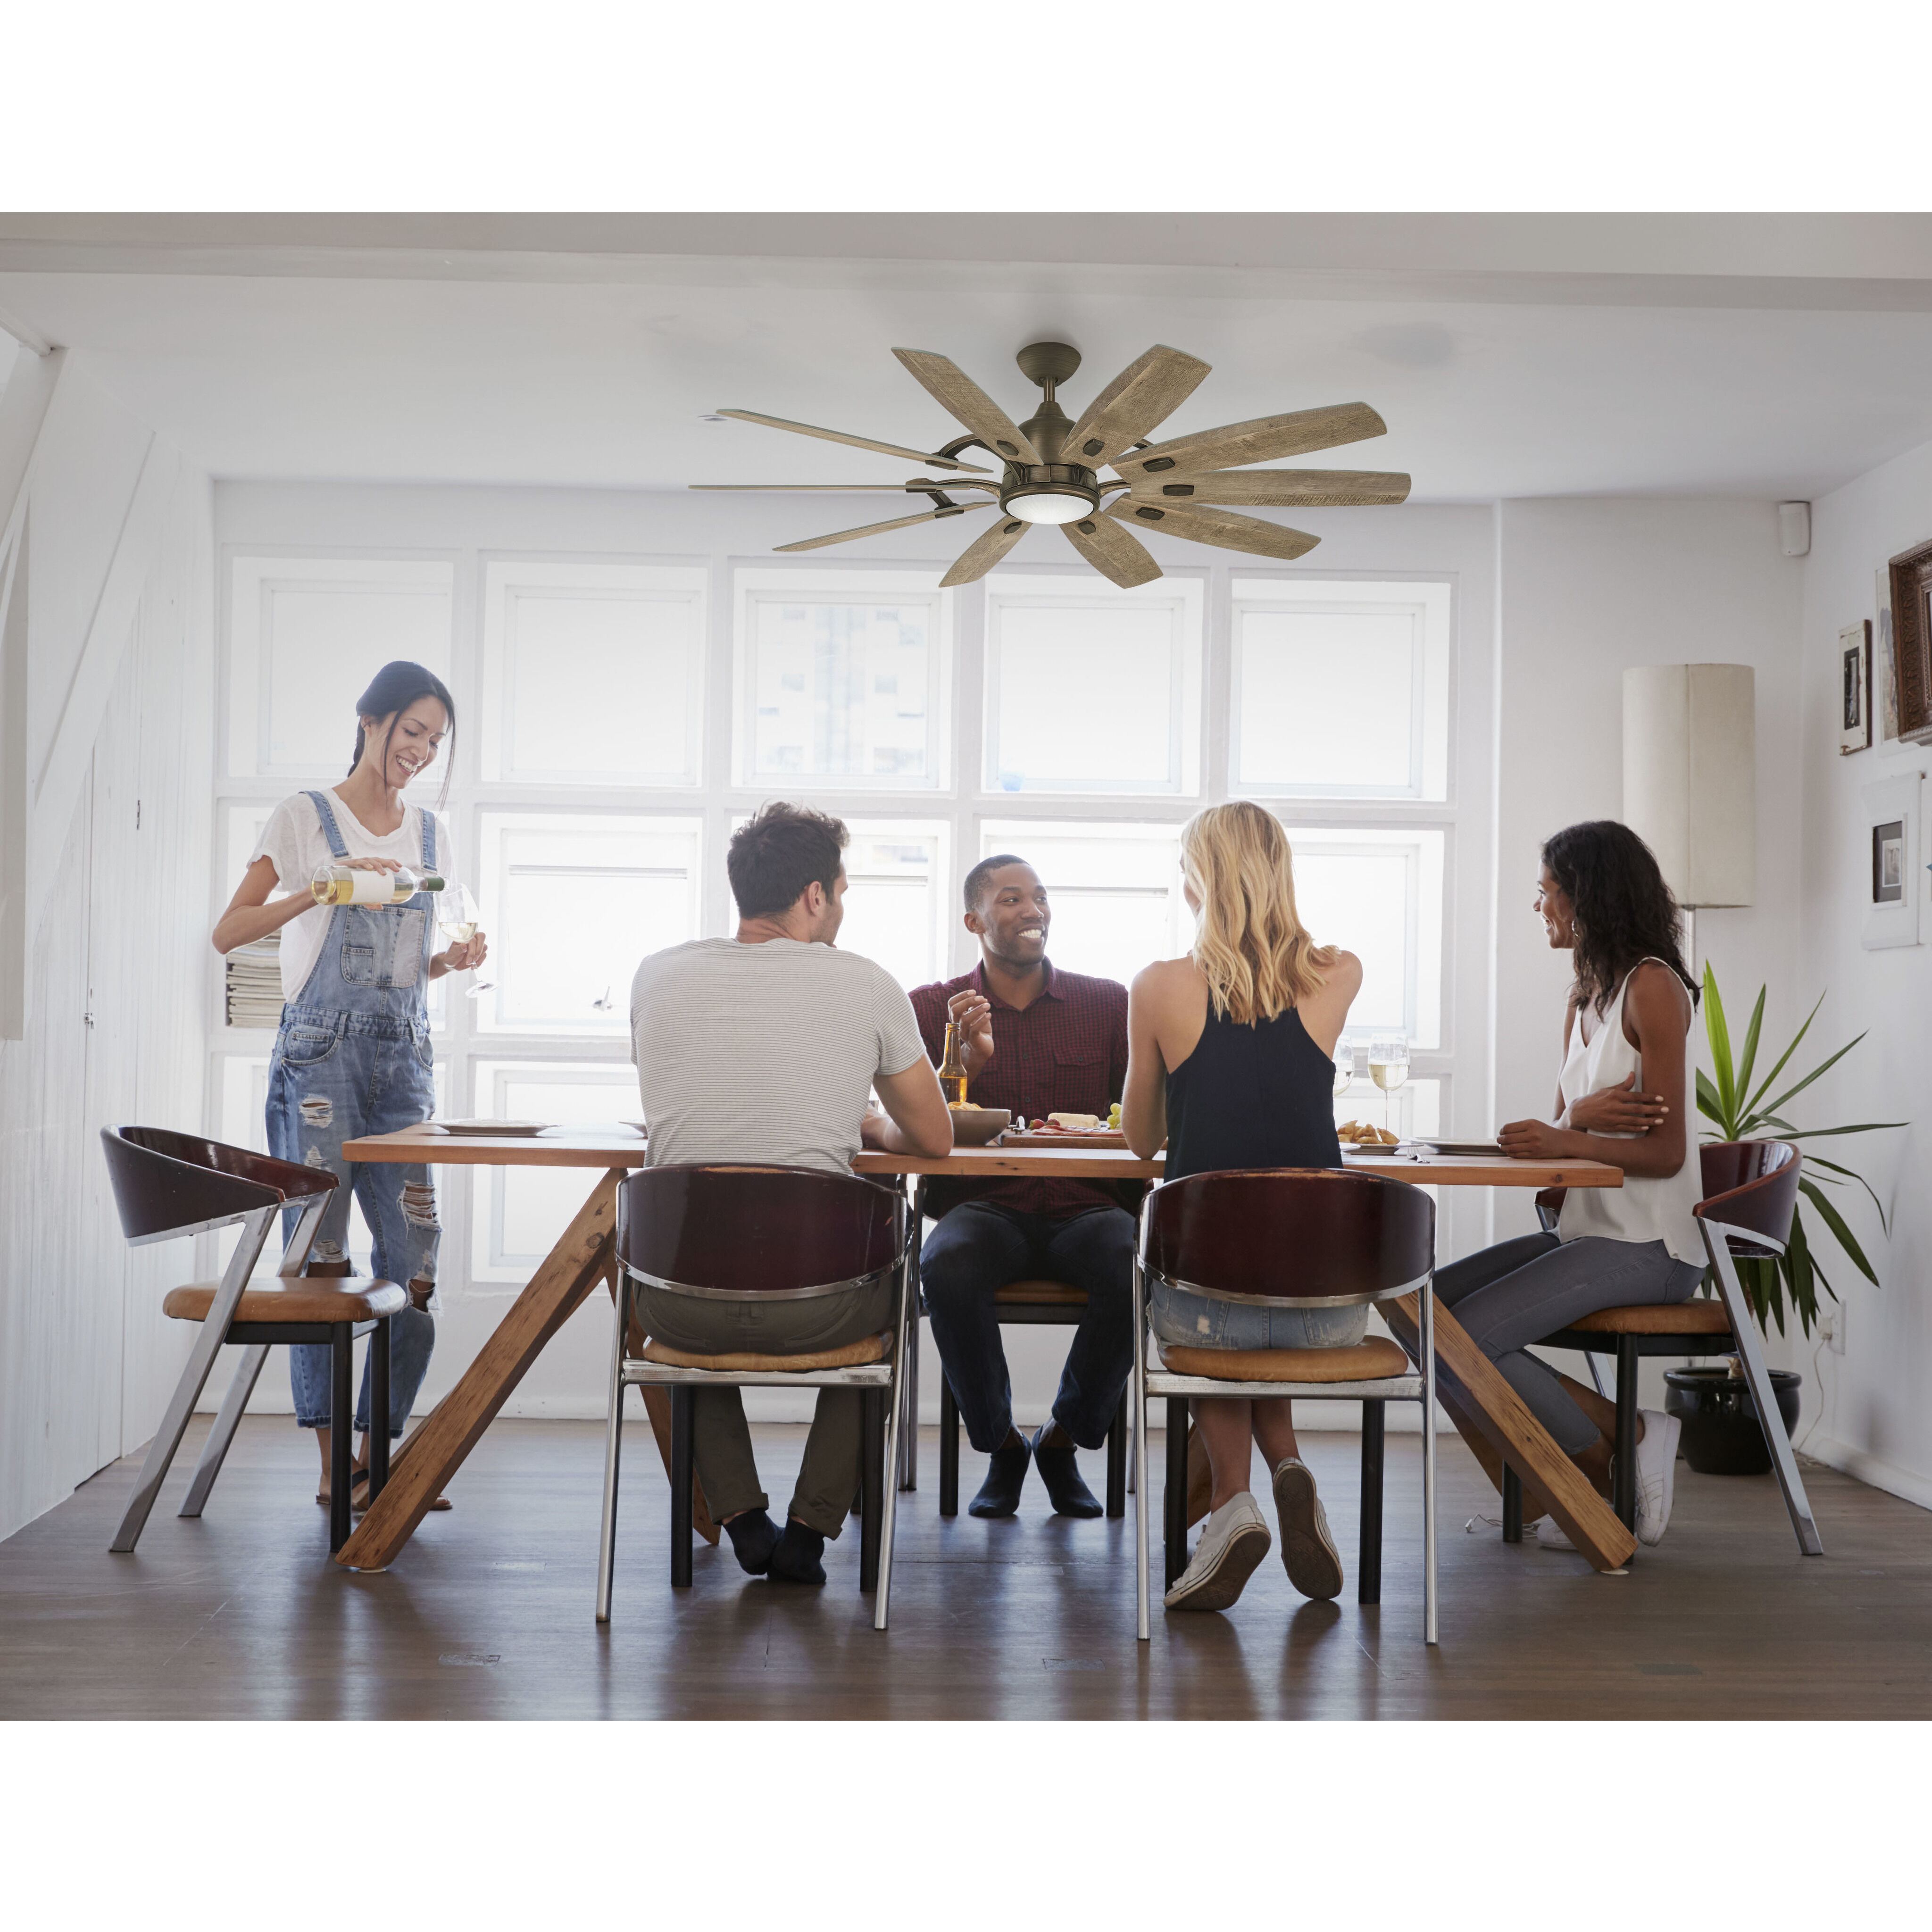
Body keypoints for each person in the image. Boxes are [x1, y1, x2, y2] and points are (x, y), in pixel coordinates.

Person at [630, 801, 952, 1585]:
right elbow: (936, 1140)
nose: (841, 909)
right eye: (841, 892)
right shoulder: (868, 984)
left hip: (676, 1304)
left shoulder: (657, 974)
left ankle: (741, 1519)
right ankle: (811, 1529)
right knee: (893, 1293)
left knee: (690, 1276)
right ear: (815, 895)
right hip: (822, 1303)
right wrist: (872, 1130)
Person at [212, 661, 485, 1516]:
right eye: (412, 733)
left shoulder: (431, 835)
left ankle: (381, 1454)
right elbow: (228, 932)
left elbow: (405, 968)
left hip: (404, 1059)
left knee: (414, 1265)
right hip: (320, 1056)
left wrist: (451, 960)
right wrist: (316, 891)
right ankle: (337, 1471)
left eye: (434, 742)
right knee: (321, 1262)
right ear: (370, 721)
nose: (421, 752)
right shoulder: (306, 816)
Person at [1122, 801, 1364, 1612]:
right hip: (1324, 1313)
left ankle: (1233, 1502)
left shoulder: (1159, 987)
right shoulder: (1340, 974)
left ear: (1200, 878)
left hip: (1208, 1314)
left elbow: (1140, 1142)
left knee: (1218, 1279)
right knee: (1268, 1269)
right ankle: (1289, 1467)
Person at [1435, 819, 1700, 1549]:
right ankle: (1561, 1473)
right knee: (1424, 1312)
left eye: (1548, 892)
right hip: (1587, 1233)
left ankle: (1611, 1446)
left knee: (1473, 1336)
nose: (1540, 906)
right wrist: (1576, 1120)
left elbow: (1670, 1152)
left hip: (1654, 1245)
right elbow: (1564, 1150)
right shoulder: (1583, 1001)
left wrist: (1569, 1132)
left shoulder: (1653, 988)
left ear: (1589, 898)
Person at [909, 856, 1136, 1520]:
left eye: (1039, 897)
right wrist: (963, 1067)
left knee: (1134, 1266)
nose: (1032, 910)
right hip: (985, 1206)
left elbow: (1141, 1119)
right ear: (974, 920)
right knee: (946, 1265)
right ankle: (1001, 1444)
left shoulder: (1108, 1003)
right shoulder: (931, 1009)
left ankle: (1064, 1439)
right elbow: (918, 1125)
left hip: (1086, 1206)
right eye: (1011, 899)